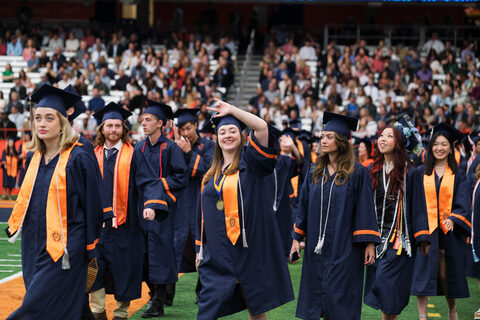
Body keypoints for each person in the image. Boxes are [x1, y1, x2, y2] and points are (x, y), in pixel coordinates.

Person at [6, 84, 104, 319]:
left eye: (50, 118)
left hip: (65, 248)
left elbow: (93, 206)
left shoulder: (78, 157)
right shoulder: (33, 157)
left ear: (62, 122)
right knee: (71, 305)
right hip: (32, 244)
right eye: (37, 117)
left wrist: (90, 246)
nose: (41, 123)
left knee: (35, 306)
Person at [195, 99, 294, 319]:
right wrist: (199, 248)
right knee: (206, 309)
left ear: (242, 137)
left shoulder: (252, 162)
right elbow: (202, 215)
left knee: (256, 308)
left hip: (249, 249)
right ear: (216, 139)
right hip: (219, 253)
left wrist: (232, 110)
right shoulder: (211, 175)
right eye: (222, 132)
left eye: (233, 131)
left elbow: (261, 128)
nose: (228, 135)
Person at [291, 111, 380, 320]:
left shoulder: (357, 172)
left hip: (345, 248)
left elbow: (365, 208)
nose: (323, 140)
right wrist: (296, 238)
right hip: (316, 249)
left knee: (341, 302)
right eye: (322, 136)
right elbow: (302, 205)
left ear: (341, 141)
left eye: (329, 136)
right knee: (316, 300)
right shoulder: (314, 170)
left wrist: (368, 244)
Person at [89, 102, 169, 320]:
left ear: (123, 130)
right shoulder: (92, 155)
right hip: (97, 228)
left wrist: (151, 204)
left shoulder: (133, 155)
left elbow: (149, 181)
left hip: (125, 226)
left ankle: (121, 313)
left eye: (117, 126)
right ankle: (97, 312)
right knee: (94, 270)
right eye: (109, 126)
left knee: (124, 271)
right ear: (102, 129)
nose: (113, 130)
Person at [364, 116, 430, 319]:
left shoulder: (411, 172)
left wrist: (422, 236)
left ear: (399, 143)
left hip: (399, 241)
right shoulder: (373, 171)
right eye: (381, 135)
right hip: (376, 238)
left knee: (387, 283)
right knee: (384, 290)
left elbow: (419, 206)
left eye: (389, 136)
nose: (382, 139)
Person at [411, 123, 471, 320]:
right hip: (425, 230)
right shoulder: (420, 173)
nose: (439, 148)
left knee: (446, 275)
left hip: (448, 231)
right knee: (423, 272)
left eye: (444, 144)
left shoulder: (458, 175)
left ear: (450, 147)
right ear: (430, 147)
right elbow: (416, 203)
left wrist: (454, 217)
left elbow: (463, 201)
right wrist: (420, 228)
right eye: (435, 144)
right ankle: (422, 316)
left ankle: (452, 309)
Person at [137, 100, 187, 318]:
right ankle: (155, 293)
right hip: (141, 208)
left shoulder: (171, 148)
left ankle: (158, 301)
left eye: (148, 120)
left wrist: (157, 190)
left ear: (160, 123)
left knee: (160, 253)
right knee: (144, 254)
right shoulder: (139, 147)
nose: (143, 123)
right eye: (142, 120)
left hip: (164, 209)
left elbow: (181, 177)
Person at [172, 108, 215, 304]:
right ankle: (165, 294)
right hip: (181, 202)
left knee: (203, 246)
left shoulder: (208, 146)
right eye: (182, 129)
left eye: (188, 128)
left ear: (196, 126)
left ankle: (203, 290)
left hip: (202, 201)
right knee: (173, 246)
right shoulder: (175, 146)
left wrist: (189, 153)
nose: (186, 133)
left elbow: (208, 170)